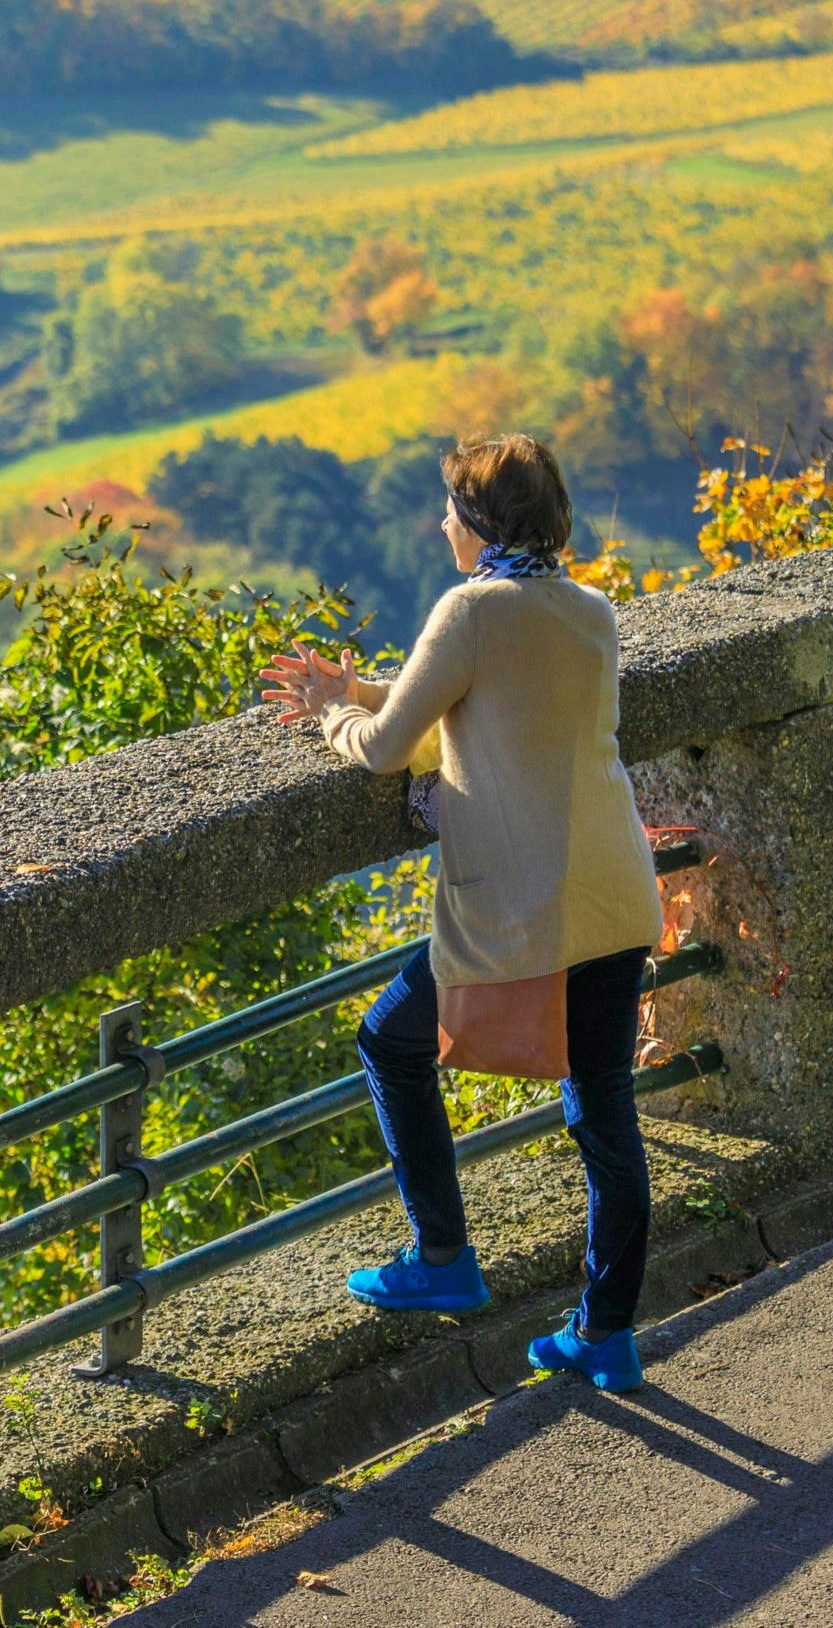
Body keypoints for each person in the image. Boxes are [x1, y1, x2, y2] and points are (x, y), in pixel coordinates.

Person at [257, 434, 663, 1393]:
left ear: (479, 525)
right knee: (605, 1119)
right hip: (614, 893)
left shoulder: (470, 607)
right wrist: (345, 686)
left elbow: (394, 746)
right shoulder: (590, 610)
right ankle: (606, 1334)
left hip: (525, 908)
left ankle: (442, 1258)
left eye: (449, 508)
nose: (440, 523)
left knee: (390, 1041)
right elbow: (475, 701)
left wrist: (332, 718)